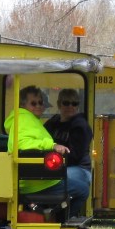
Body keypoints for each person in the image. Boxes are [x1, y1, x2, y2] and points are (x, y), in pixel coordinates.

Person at [4, 85, 89, 217]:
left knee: (74, 179)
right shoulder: (24, 120)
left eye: (40, 102)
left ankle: (50, 216)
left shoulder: (31, 121)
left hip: (38, 179)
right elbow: (22, 144)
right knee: (83, 190)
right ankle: (60, 221)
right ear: (22, 105)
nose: (38, 106)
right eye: (33, 103)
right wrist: (52, 145)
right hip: (37, 183)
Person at [44, 88, 92, 217]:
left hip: (79, 169)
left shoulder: (80, 126)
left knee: (59, 178)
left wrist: (54, 161)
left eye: (74, 103)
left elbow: (75, 156)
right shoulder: (52, 122)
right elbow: (42, 138)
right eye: (66, 103)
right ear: (59, 104)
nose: (70, 106)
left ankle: (66, 217)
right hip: (54, 166)